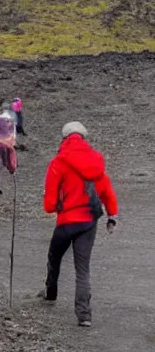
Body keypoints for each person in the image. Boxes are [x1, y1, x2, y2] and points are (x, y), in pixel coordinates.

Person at [41, 122, 118, 327]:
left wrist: (54, 207)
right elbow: (106, 190)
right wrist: (112, 215)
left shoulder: (58, 162)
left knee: (54, 257)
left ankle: (51, 293)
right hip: (88, 223)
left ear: (64, 138)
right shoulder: (95, 161)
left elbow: (49, 202)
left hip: (67, 221)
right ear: (83, 138)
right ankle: (84, 315)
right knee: (82, 269)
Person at [0, 102, 18, 194]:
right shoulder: (10, 119)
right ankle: (12, 170)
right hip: (8, 143)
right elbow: (13, 132)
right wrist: (12, 142)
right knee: (9, 160)